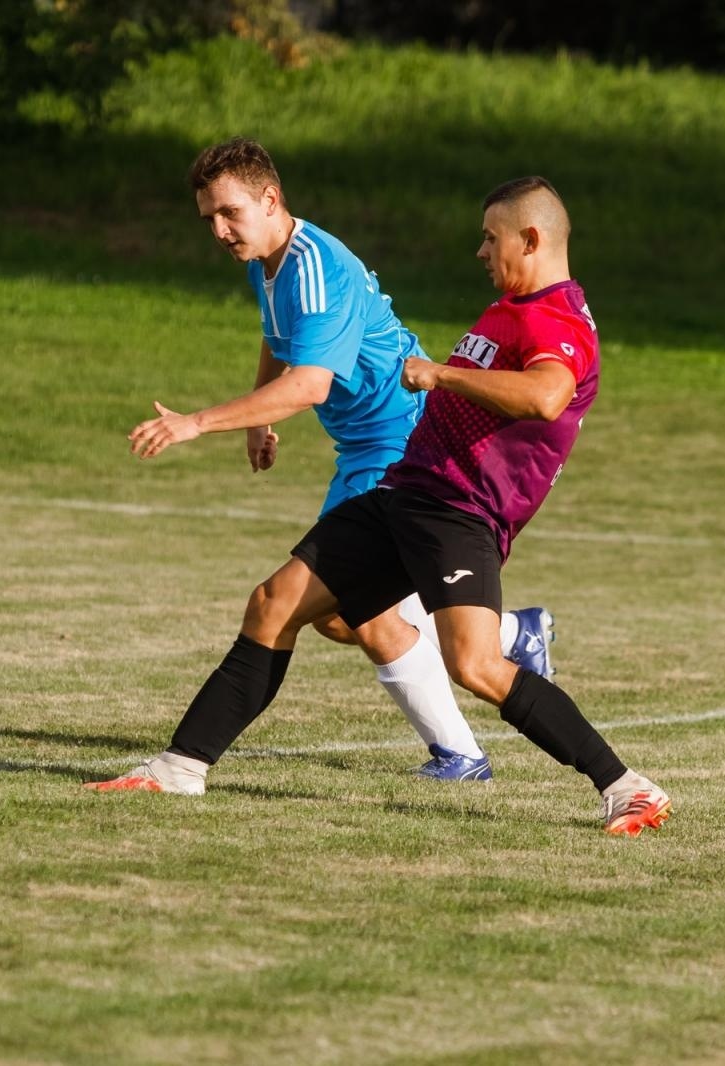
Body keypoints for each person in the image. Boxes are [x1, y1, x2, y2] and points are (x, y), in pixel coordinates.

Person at [91, 175, 671, 836]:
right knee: (274, 603)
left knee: (476, 666)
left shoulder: (555, 317)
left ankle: (625, 787)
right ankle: (180, 767)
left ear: (530, 239)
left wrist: (440, 373)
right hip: (403, 491)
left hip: (459, 511)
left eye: (491, 238)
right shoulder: (513, 305)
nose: (481, 252)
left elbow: (545, 396)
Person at [127, 137, 556, 782]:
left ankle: (469, 729)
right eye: (208, 218)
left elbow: (312, 384)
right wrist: (261, 417)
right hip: (365, 446)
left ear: (270, 199)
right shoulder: (267, 263)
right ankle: (492, 680)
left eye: (228, 214)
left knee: (327, 603)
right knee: (335, 611)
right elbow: (282, 338)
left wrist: (197, 423)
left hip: (401, 442)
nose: (218, 230)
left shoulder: (316, 267)